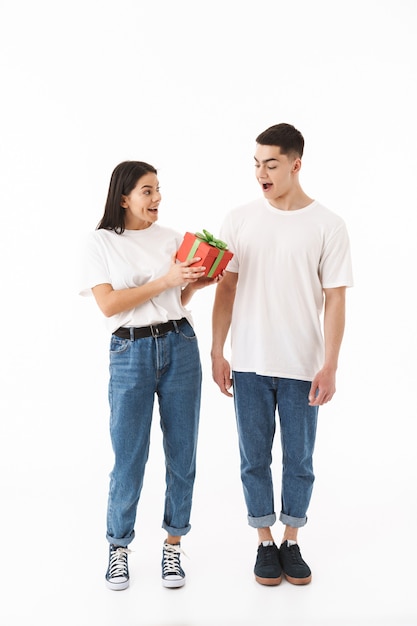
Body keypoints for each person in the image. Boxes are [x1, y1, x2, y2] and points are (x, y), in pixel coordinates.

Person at [211, 123, 353, 586]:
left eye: (270, 164)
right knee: (253, 458)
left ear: (295, 164)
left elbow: (336, 298)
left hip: (301, 364)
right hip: (249, 361)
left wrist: (330, 363)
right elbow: (226, 286)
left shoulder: (328, 224)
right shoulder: (239, 219)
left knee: (299, 459)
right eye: (255, 163)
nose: (261, 173)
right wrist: (218, 350)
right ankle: (264, 541)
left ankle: (292, 538)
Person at [79, 160, 220, 590]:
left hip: (180, 344)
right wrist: (167, 281)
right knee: (129, 456)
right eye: (147, 191)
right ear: (124, 197)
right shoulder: (100, 242)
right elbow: (108, 305)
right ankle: (118, 548)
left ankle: (173, 547)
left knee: (183, 455)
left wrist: (197, 280)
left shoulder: (174, 239)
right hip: (129, 351)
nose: (157, 198)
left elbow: (179, 293)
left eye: (158, 189)